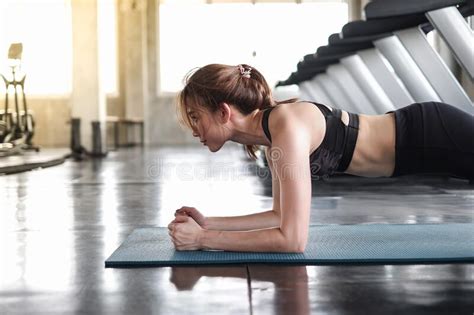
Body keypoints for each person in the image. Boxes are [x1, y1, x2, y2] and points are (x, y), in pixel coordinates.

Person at [167, 63, 474, 253]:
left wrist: (202, 240)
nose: (194, 129)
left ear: (224, 111)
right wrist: (208, 224)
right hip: (422, 146)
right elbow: (278, 217)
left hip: (432, 135)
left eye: (196, 117)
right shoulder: (272, 135)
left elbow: (292, 240)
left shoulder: (285, 125)